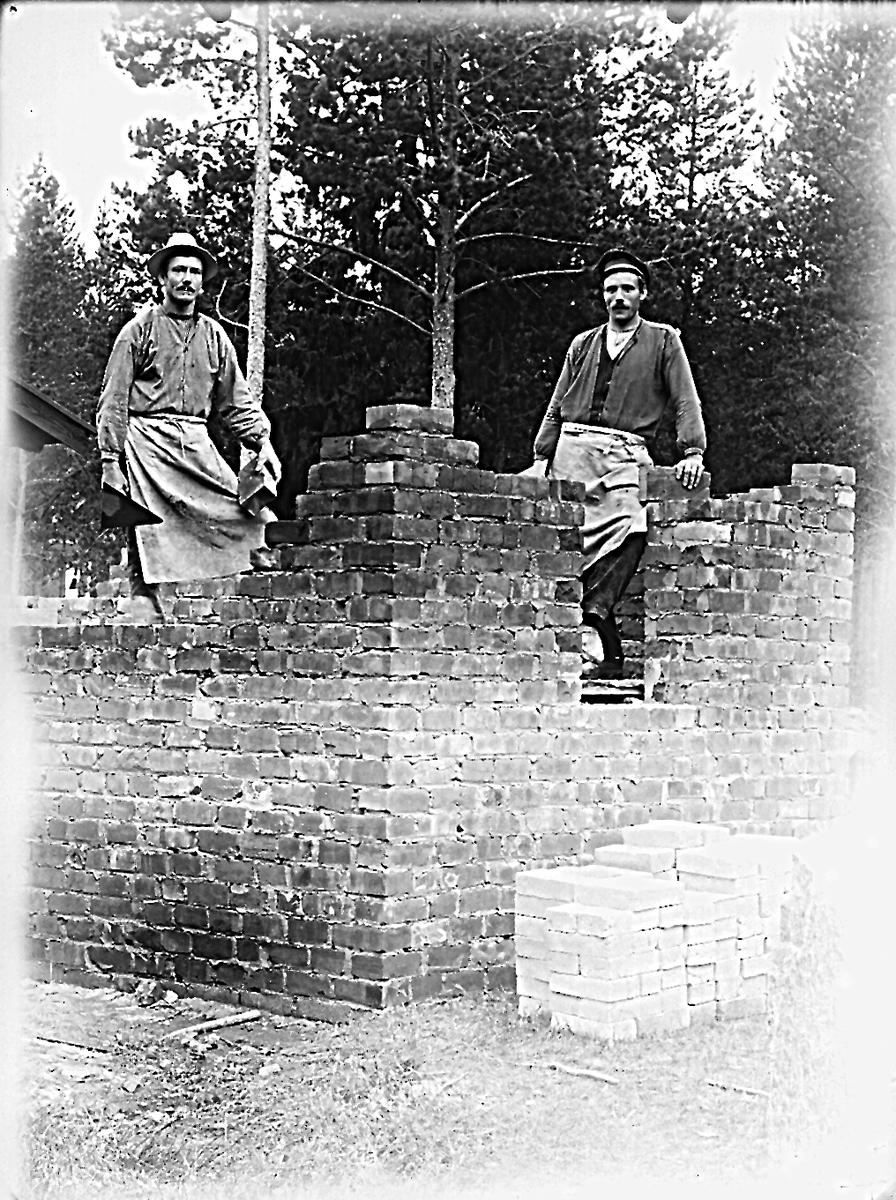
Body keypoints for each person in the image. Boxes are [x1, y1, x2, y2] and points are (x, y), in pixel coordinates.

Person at [532, 247, 706, 677]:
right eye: (611, 289)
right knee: (566, 545)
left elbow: (685, 399)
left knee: (632, 524)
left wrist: (692, 451)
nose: (618, 297)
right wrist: (541, 456)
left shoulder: (663, 340)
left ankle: (591, 620)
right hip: (572, 454)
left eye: (627, 288)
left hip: (625, 455)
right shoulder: (582, 344)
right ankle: (605, 655)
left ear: (642, 294)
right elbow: (557, 404)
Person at [96, 232, 281, 604]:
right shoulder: (139, 330)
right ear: (162, 278)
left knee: (255, 520)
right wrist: (110, 461)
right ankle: (144, 607)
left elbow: (236, 402)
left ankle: (252, 605)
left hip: (196, 442)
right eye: (178, 270)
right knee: (147, 532)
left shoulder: (214, 336)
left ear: (202, 282)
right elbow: (113, 399)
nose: (186, 279)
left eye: (194, 272)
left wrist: (263, 443)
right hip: (146, 445)